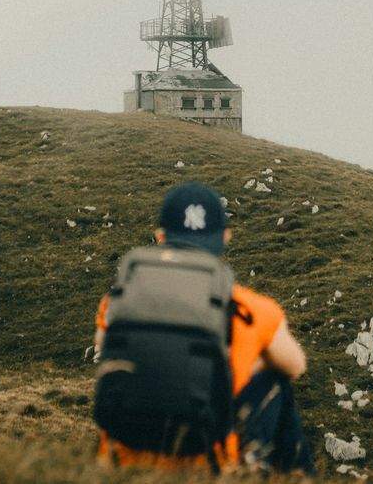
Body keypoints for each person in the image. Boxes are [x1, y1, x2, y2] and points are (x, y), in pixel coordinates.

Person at [94, 181, 314, 474]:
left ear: (161, 237)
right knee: (276, 381)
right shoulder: (251, 309)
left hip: (123, 465)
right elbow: (296, 366)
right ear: (225, 238)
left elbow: (106, 355)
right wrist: (252, 361)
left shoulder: (116, 303)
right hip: (210, 464)